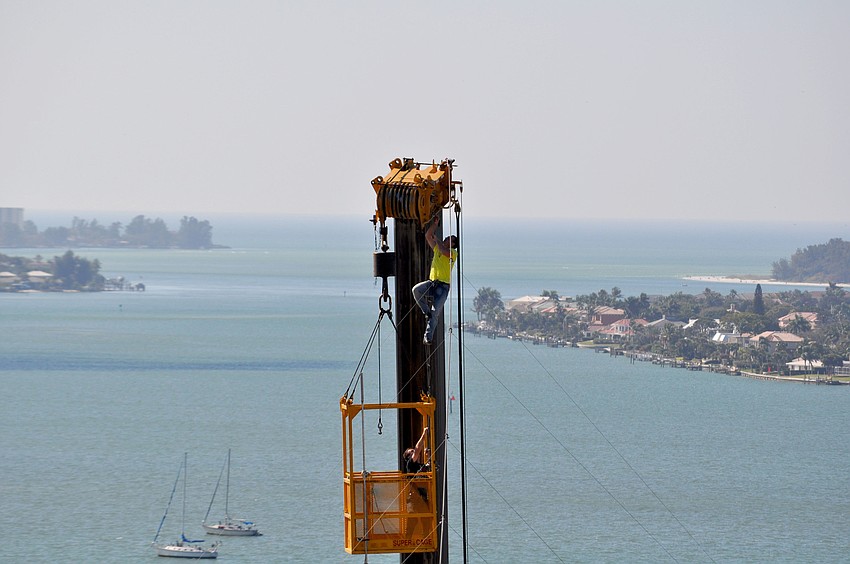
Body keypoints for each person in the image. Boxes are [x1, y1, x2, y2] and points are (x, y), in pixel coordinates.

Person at [412, 216, 458, 345]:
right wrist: (435, 224)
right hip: (432, 283)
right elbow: (428, 235)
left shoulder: (453, 253)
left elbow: (444, 251)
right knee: (416, 290)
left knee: (436, 312)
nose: (446, 239)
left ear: (453, 244)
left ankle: (428, 337)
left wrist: (437, 239)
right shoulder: (438, 248)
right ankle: (426, 312)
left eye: (450, 239)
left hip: (443, 287)